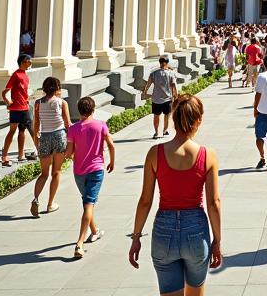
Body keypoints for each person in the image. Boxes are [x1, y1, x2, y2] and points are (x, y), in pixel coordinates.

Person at [129, 93, 223, 294]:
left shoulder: (155, 153)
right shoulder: (208, 156)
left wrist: (136, 237)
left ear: (173, 119)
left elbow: (145, 201)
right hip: (196, 230)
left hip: (164, 230)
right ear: (198, 120)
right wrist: (217, 241)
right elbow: (213, 202)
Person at [65, 95, 115, 259]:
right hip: (96, 169)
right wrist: (112, 161)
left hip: (79, 171)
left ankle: (94, 231)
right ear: (93, 109)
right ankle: (79, 243)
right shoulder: (100, 125)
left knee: (87, 202)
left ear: (79, 110)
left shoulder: (73, 129)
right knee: (88, 204)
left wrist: (67, 154)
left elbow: (69, 153)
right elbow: (111, 145)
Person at [30, 76, 71, 217]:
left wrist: (36, 140)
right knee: (56, 172)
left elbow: (36, 124)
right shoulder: (61, 102)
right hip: (59, 136)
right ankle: (50, 203)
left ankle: (35, 199)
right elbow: (67, 124)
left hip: (45, 137)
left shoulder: (38, 103)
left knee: (44, 173)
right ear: (58, 88)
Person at [0, 53, 36, 166]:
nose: (30, 63)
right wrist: (7, 101)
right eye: (28, 61)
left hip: (24, 106)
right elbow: (5, 91)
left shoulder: (25, 75)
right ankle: (4, 155)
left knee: (22, 130)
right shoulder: (16, 75)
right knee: (12, 130)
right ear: (22, 62)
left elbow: (24, 91)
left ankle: (21, 155)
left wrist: (27, 98)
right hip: (16, 107)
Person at [142, 56, 179, 139]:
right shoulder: (170, 73)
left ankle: (156, 132)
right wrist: (176, 95)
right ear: (167, 63)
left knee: (156, 116)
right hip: (167, 99)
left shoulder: (154, 73)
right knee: (167, 115)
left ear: (160, 63)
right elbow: (174, 86)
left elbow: (148, 84)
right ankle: (164, 130)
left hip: (156, 99)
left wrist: (145, 92)